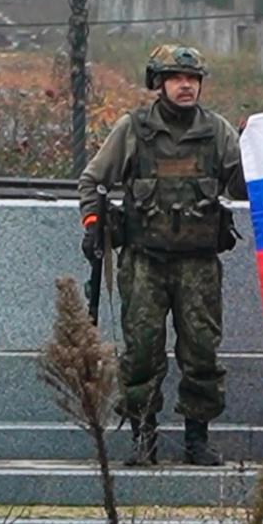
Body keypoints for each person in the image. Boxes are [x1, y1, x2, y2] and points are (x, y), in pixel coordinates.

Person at [78, 44, 246, 467]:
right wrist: (92, 226)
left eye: (192, 79)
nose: (186, 85)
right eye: (176, 78)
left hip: (198, 263)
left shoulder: (218, 131)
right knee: (141, 351)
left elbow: (241, 188)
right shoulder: (134, 130)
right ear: (159, 83)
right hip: (145, 262)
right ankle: (143, 438)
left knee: (202, 351)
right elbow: (93, 180)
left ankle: (196, 441)